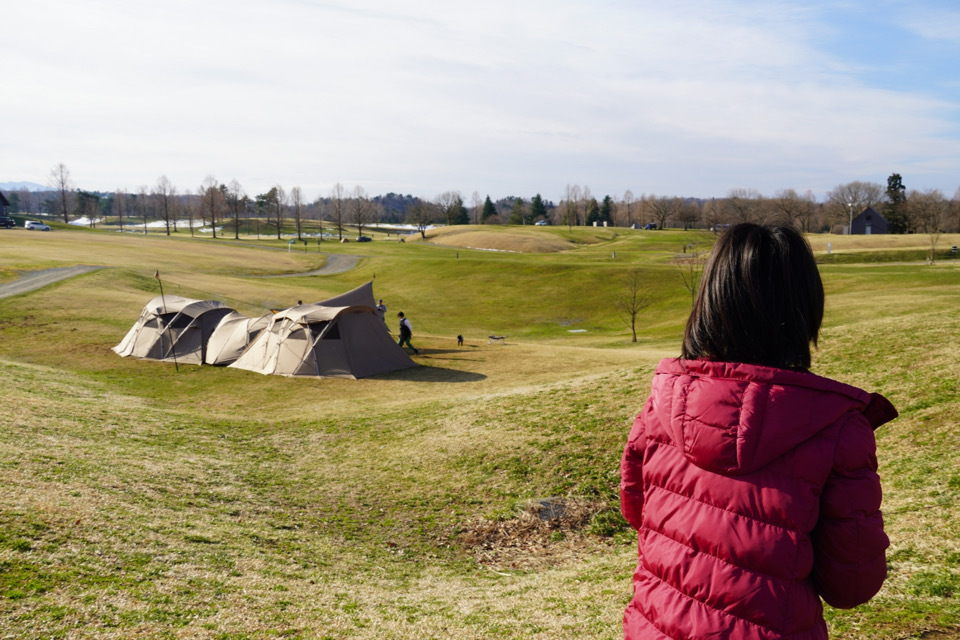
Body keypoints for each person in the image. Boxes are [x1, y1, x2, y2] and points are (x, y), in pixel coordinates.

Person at [620, 223, 896, 640]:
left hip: (656, 626)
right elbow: (852, 585)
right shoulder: (836, 425)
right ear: (805, 307)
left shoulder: (659, 404)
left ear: (710, 301)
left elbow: (635, 512)